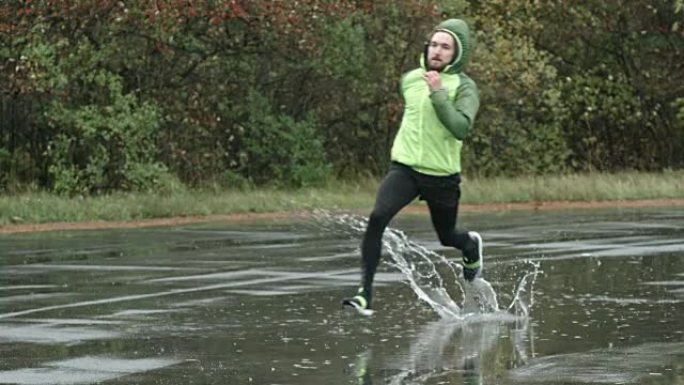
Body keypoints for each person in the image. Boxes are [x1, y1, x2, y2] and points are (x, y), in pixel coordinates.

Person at [343, 18, 482, 314]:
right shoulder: (409, 80)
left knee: (448, 237)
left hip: (441, 176)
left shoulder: (465, 87)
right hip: (405, 168)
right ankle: (364, 295)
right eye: (434, 44)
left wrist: (438, 92)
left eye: (446, 47)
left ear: (457, 54)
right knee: (378, 216)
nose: (437, 51)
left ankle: (470, 246)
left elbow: (460, 128)